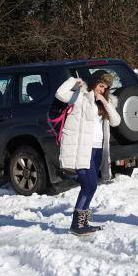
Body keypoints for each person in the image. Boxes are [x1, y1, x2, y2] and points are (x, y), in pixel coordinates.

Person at [55, 71, 121, 235]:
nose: (102, 89)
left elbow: (116, 121)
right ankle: (77, 224)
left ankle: (82, 221)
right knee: (89, 185)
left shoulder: (105, 102)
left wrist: (105, 101)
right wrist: (73, 81)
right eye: (100, 85)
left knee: (90, 186)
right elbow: (60, 94)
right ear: (93, 83)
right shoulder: (81, 98)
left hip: (98, 150)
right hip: (83, 149)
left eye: (105, 87)